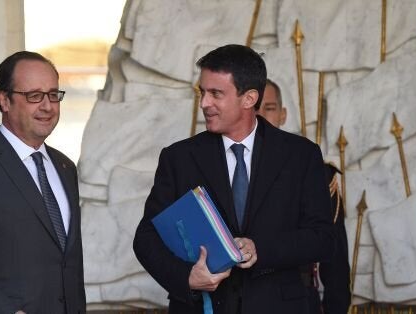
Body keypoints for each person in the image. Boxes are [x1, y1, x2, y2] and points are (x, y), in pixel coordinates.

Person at [133, 44, 335, 313]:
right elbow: (146, 238)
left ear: (249, 98)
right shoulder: (178, 157)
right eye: (202, 92)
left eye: (216, 93)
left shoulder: (301, 155)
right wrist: (187, 277)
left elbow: (321, 238)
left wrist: (260, 248)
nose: (205, 103)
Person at [0, 51, 86, 314]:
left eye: (53, 95)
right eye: (34, 96)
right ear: (4, 100)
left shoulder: (66, 167)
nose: (47, 106)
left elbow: (67, 261)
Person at [258, 79, 351, 313]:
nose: (261, 116)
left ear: (283, 114)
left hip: (298, 301)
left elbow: (335, 259)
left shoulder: (315, 170)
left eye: (269, 108)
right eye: (254, 108)